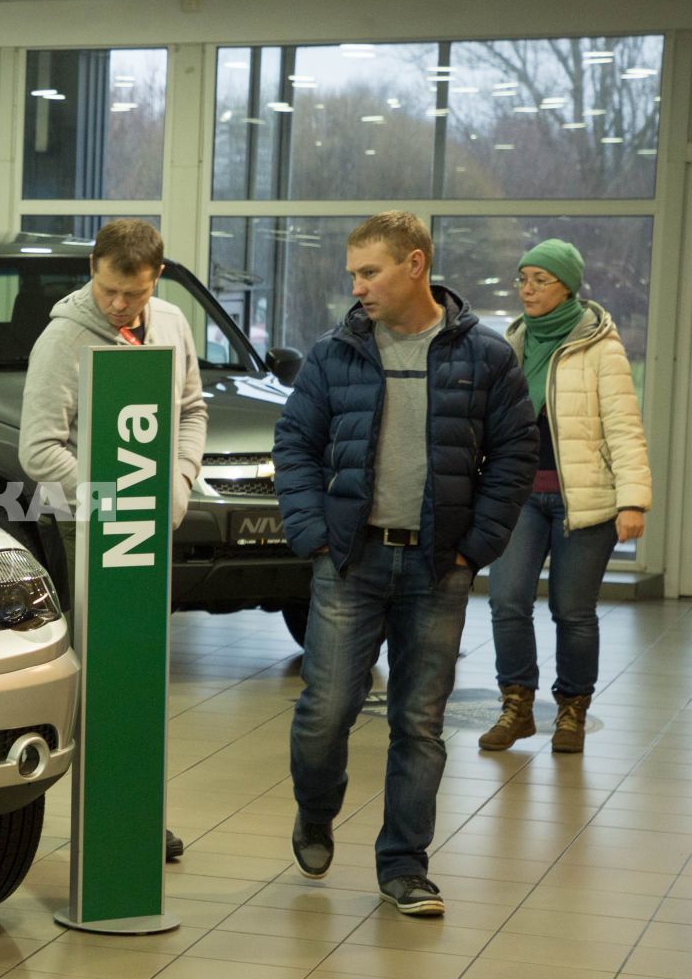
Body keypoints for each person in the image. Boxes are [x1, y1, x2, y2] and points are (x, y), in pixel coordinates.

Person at [273, 211, 535, 918]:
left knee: (419, 723)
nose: (357, 286)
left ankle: (404, 866)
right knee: (325, 714)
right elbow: (294, 445)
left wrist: (475, 545)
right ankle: (316, 811)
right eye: (353, 273)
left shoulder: (485, 356)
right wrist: (313, 534)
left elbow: (516, 456)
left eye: (370, 272)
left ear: (414, 265)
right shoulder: (335, 354)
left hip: (437, 570)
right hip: (349, 564)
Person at [20, 218, 207, 864]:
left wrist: (178, 482)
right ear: (92, 271)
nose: (120, 306)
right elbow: (40, 449)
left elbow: (189, 410)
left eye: (134, 294)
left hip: (150, 519)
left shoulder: (173, 324)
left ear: (155, 279)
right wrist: (116, 503)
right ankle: (109, 819)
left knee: (141, 668)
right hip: (91, 524)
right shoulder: (64, 337)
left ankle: (137, 814)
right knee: (103, 669)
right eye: (108, 291)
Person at [478, 240, 650, 755]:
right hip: (519, 498)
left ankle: (572, 710)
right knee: (507, 602)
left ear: (568, 287)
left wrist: (633, 500)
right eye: (522, 278)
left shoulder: (601, 347)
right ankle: (517, 705)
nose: (527, 289)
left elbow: (624, 428)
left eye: (540, 280)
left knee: (572, 611)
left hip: (586, 502)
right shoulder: (513, 343)